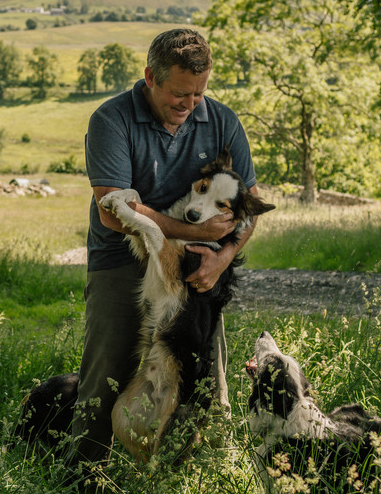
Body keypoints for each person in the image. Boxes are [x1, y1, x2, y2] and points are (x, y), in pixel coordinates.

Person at [64, 28, 261, 485]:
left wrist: (223, 257)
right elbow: (114, 211)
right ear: (150, 76)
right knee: (107, 370)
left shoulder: (222, 120)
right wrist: (191, 230)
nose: (190, 104)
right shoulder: (111, 119)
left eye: (198, 93)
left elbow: (249, 206)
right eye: (179, 93)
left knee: (205, 375)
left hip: (197, 267)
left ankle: (195, 474)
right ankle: (84, 476)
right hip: (121, 258)